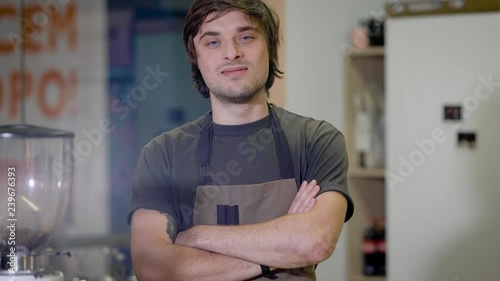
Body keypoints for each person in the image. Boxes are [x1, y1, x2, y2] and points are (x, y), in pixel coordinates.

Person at [127, 0, 354, 280]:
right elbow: (153, 268)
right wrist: (283, 251)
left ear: (269, 47)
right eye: (213, 42)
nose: (232, 53)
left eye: (246, 37)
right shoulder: (162, 155)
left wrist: (198, 237)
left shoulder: (316, 141)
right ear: (195, 56)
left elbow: (315, 241)